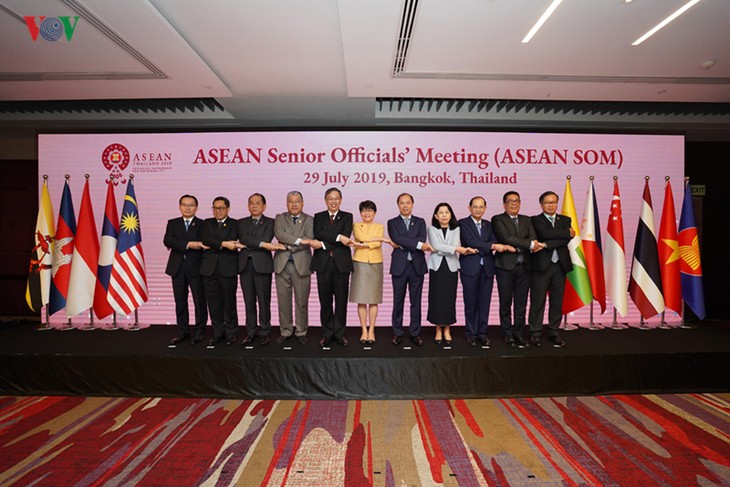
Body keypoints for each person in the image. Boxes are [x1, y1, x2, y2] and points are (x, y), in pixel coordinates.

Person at [458, 196, 512, 347]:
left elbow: (493, 241)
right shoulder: (463, 223)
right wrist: (490, 246)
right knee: (470, 302)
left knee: (484, 303)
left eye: (481, 207)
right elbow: (469, 241)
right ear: (469, 208)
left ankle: (482, 333)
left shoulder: (489, 224)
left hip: (487, 268)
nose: (478, 209)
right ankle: (470, 333)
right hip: (469, 268)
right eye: (475, 207)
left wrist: (488, 245)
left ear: (485, 208)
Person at [491, 191, 541, 348]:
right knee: (505, 303)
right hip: (505, 267)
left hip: (525, 267)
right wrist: (528, 245)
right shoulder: (498, 219)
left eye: (517, 201)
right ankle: (507, 334)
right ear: (504, 204)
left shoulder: (527, 220)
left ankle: (519, 333)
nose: (514, 204)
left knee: (521, 303)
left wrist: (524, 244)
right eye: (510, 201)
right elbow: (506, 238)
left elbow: (533, 238)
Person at [237, 193, 284, 347]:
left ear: (264, 206)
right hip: (245, 265)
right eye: (251, 203)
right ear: (248, 205)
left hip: (262, 265)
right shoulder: (241, 222)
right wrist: (262, 244)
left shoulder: (271, 222)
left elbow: (267, 237)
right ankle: (250, 332)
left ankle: (264, 331)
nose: (254, 206)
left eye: (258, 203)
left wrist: (257, 243)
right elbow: (243, 238)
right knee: (248, 300)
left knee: (264, 301)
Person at [528, 191, 574, 348]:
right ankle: (535, 333)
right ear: (541, 204)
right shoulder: (535, 220)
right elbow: (543, 233)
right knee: (537, 301)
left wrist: (547, 244)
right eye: (548, 202)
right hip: (541, 266)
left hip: (560, 266)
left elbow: (565, 240)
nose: (551, 205)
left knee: (557, 301)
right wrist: (566, 233)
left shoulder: (565, 219)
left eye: (554, 202)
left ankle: (554, 332)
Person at [310, 187, 354, 348]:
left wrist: (322, 243)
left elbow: (346, 236)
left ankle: (340, 333)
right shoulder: (318, 216)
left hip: (341, 264)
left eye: (336, 198)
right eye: (330, 198)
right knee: (325, 301)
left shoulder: (347, 216)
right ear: (325, 200)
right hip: (323, 264)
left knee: (341, 301)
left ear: (340, 200)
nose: (333, 201)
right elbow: (318, 232)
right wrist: (337, 237)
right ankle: (327, 333)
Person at [387, 193, 432, 346]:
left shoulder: (420, 221)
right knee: (398, 301)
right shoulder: (392, 222)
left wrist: (403, 243)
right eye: (402, 203)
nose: (405, 205)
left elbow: (420, 239)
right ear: (398, 205)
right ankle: (398, 333)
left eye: (408, 203)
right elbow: (396, 238)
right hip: (399, 267)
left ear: (412, 204)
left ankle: (415, 333)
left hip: (416, 267)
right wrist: (417, 245)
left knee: (416, 302)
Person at [427, 202, 476, 345]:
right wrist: (455, 249)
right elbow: (436, 246)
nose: (444, 215)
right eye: (441, 212)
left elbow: (448, 247)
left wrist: (452, 248)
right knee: (436, 297)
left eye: (447, 212)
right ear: (436, 216)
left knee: (449, 297)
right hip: (437, 267)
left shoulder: (456, 229)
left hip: (451, 267)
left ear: (451, 215)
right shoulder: (431, 229)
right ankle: (437, 328)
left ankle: (447, 328)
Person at [163, 194, 208, 346]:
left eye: (191, 205)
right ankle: (183, 331)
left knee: (199, 301)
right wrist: (189, 244)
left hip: (196, 268)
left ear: (196, 207)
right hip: (177, 268)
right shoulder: (173, 223)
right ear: (179, 206)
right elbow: (168, 240)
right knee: (180, 301)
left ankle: (200, 331)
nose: (187, 207)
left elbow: (203, 242)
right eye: (184, 204)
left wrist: (180, 243)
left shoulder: (202, 224)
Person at [273, 191, 315, 345]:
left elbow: (309, 238)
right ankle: (285, 330)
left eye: (297, 201)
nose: (294, 204)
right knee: (283, 301)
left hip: (302, 264)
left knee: (302, 301)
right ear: (286, 203)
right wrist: (299, 241)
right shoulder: (280, 218)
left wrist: (289, 245)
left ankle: (301, 331)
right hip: (282, 264)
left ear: (302, 203)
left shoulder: (310, 219)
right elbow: (279, 234)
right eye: (291, 201)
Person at [200, 196, 239, 347]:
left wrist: (216, 243)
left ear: (227, 209)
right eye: (215, 208)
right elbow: (205, 239)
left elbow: (233, 240)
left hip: (227, 268)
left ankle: (231, 333)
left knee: (229, 302)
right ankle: (218, 333)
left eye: (221, 208)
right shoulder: (207, 223)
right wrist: (223, 244)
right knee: (213, 303)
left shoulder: (235, 224)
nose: (218, 211)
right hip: (209, 269)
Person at [350, 200, 388, 345]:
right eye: (364, 210)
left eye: (370, 210)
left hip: (375, 263)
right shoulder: (356, 225)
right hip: (359, 263)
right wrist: (376, 240)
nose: (367, 213)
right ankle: (363, 330)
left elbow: (376, 244)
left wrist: (365, 244)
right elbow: (362, 238)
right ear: (360, 213)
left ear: (375, 212)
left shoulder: (380, 226)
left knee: (373, 299)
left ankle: (371, 329)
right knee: (361, 299)